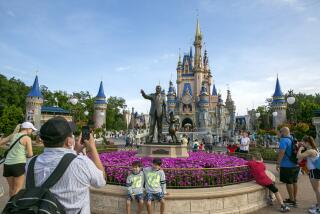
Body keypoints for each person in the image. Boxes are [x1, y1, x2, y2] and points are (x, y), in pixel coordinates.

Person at [27, 116, 106, 213]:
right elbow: (101, 181)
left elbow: (63, 163)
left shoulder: (30, 163)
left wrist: (75, 151)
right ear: (69, 141)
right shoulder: (81, 163)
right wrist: (93, 148)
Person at [1, 122, 34, 197]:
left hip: (7, 165)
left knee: (11, 189)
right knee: (17, 190)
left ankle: (9, 207)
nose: (32, 131)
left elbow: (1, 142)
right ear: (27, 129)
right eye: (32, 129)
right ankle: (13, 208)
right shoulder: (27, 138)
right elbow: (30, 154)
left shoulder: (13, 135)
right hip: (18, 165)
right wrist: (24, 154)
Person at [276, 127, 300, 207]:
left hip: (287, 165)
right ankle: (294, 199)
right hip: (295, 164)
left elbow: (281, 152)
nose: (279, 134)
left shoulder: (283, 140)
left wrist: (278, 163)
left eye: (280, 132)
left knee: (288, 182)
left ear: (282, 132)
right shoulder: (293, 139)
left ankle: (292, 200)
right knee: (294, 182)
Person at [297, 136, 320, 214]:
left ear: (307, 142)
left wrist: (300, 149)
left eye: (303, 142)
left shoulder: (310, 151)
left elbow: (298, 156)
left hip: (314, 171)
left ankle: (319, 209)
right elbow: (300, 160)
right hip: (315, 171)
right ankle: (318, 204)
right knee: (317, 189)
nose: (302, 143)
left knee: (317, 190)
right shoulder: (314, 149)